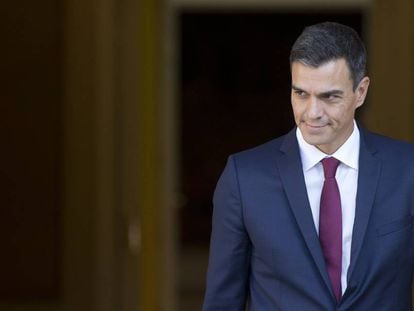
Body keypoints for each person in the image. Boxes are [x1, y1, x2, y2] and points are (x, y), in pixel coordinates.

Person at [202, 22, 414, 310]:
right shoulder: (245, 178)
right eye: (301, 93)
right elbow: (222, 302)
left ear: (361, 91)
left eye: (329, 96)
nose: (312, 112)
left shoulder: (406, 170)